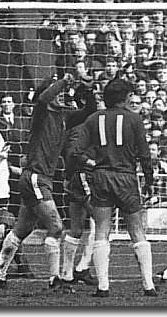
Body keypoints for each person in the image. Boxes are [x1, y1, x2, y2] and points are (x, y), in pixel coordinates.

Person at [0, 73, 96, 289]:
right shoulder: (41, 113)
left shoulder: (65, 117)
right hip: (36, 177)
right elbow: (44, 98)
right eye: (58, 91)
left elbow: (89, 111)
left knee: (21, 229)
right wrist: (65, 81)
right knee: (56, 227)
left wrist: (88, 89)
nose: (62, 95)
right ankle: (56, 279)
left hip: (38, 179)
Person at [75, 78, 157, 297]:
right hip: (126, 178)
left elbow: (77, 151)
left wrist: (92, 163)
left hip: (101, 177)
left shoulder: (93, 119)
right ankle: (148, 285)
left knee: (102, 230)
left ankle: (103, 286)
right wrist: (149, 181)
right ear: (126, 97)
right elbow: (145, 155)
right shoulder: (134, 119)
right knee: (137, 231)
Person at [60, 85, 98, 286]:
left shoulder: (80, 123)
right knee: (100, 222)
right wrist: (90, 163)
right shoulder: (80, 125)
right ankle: (82, 267)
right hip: (83, 176)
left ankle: (67, 273)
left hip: (76, 177)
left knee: (76, 227)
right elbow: (72, 153)